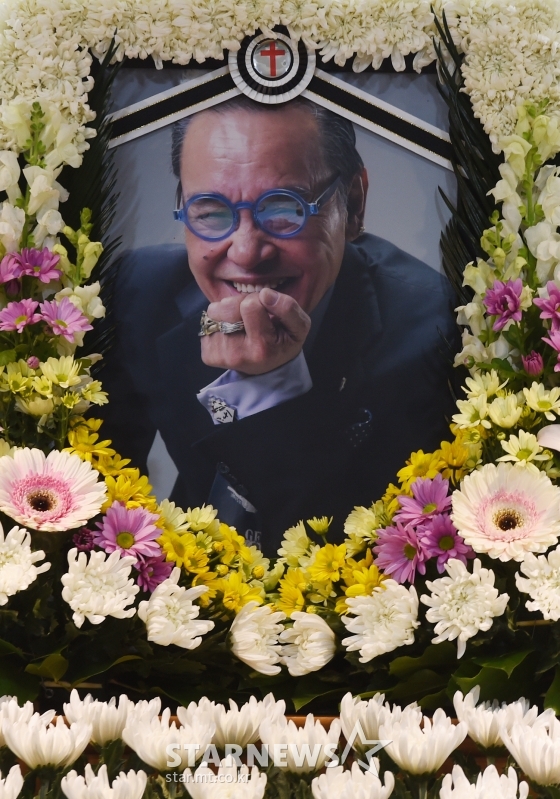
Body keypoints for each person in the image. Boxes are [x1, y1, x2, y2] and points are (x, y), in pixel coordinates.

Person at [99, 96, 459, 556]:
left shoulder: (438, 329)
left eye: (283, 208)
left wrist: (269, 387)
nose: (246, 253)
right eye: (209, 211)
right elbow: (95, 496)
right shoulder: (138, 293)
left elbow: (347, 548)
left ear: (353, 205)